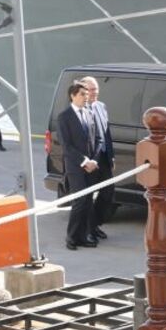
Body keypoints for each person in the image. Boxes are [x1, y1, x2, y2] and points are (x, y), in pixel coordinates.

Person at [57, 82, 98, 250]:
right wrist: (84, 161)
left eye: (87, 94)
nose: (85, 97)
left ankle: (84, 236)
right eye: (82, 94)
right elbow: (66, 145)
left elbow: (96, 139)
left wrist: (94, 160)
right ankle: (71, 237)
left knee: (89, 200)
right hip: (75, 166)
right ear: (72, 95)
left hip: (90, 166)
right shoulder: (64, 117)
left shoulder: (89, 114)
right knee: (80, 200)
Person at [80, 76, 114, 239]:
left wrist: (111, 156)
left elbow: (107, 133)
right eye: (92, 89)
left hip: (104, 159)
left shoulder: (102, 106)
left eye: (96, 89)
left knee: (108, 193)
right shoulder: (81, 110)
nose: (95, 92)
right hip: (90, 160)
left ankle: (95, 224)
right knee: (87, 197)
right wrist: (86, 160)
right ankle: (88, 229)